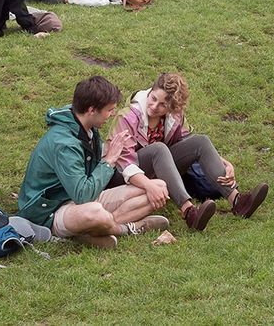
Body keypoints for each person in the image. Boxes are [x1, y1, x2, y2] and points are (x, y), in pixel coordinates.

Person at [17, 76, 170, 250]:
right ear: (91, 110)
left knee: (157, 187)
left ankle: (91, 231)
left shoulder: (87, 127)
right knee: (96, 212)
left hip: (83, 197)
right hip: (50, 210)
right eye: (109, 110)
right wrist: (109, 160)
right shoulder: (64, 144)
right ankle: (126, 228)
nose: (112, 114)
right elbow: (83, 195)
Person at [110, 72, 269, 232]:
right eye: (153, 98)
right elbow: (124, 162)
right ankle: (189, 212)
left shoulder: (174, 115)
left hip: (159, 170)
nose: (154, 106)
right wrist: (149, 186)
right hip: (123, 176)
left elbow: (188, 142)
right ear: (150, 91)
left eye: (163, 105)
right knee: (159, 148)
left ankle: (237, 200)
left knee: (201, 141)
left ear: (171, 108)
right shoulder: (128, 117)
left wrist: (225, 163)